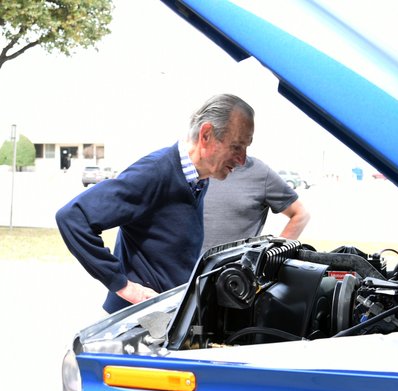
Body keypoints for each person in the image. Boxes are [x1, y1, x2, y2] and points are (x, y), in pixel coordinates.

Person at [56, 94, 255, 314]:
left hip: (167, 317)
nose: (242, 159)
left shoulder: (199, 179)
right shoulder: (154, 173)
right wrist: (124, 286)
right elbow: (73, 217)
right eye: (236, 147)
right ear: (206, 135)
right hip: (138, 322)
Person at [201, 155, 310, 253]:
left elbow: (301, 215)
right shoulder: (195, 168)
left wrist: (273, 254)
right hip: (189, 271)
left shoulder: (259, 172)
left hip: (234, 273)